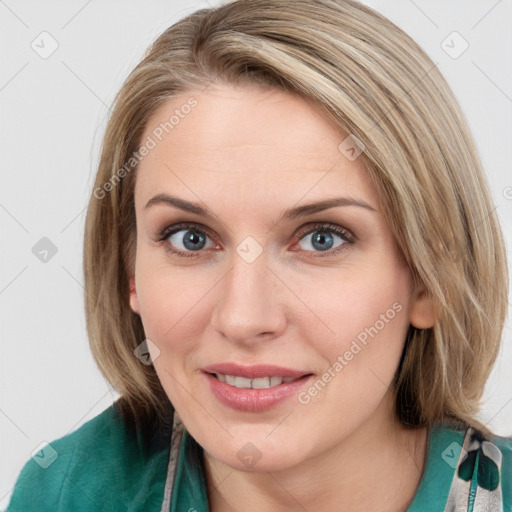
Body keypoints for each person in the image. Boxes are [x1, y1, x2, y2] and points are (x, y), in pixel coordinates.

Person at [6, 0, 511, 510]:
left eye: (321, 238)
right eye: (190, 238)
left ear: (431, 280)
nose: (244, 318)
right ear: (130, 272)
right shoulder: (63, 494)